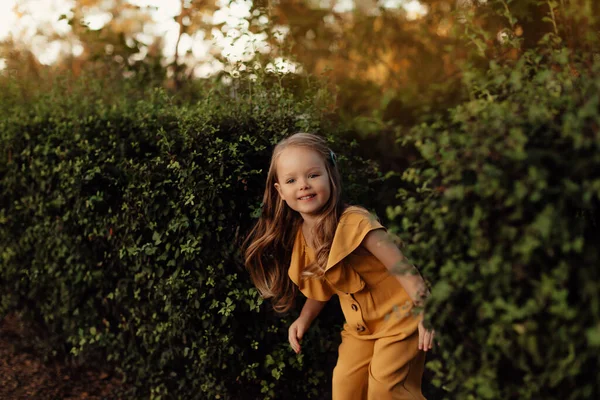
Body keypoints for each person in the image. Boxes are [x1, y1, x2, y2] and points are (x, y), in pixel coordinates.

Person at [244, 133, 434, 400]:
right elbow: (321, 285)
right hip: (360, 329)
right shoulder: (302, 236)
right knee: (345, 387)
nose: (303, 186)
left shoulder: (356, 222)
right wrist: (304, 318)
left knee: (385, 390)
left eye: (313, 175)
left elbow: (403, 268)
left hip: (400, 319)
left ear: (330, 175)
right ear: (280, 192)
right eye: (291, 180)